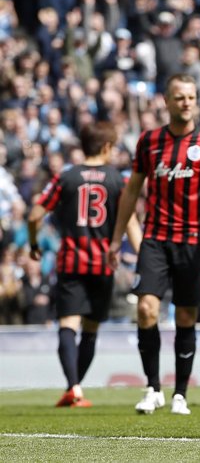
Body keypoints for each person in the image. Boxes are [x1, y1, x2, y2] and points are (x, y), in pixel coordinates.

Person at [108, 73, 200, 415]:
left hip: (195, 243)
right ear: (166, 102)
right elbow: (131, 192)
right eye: (179, 97)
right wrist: (117, 237)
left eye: (191, 97)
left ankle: (180, 393)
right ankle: (153, 388)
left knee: (185, 314)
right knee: (146, 309)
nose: (186, 103)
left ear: (197, 102)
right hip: (155, 240)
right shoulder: (149, 142)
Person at [27, 121, 142, 407]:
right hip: (103, 264)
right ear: (106, 147)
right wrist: (143, 260)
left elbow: (33, 216)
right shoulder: (119, 180)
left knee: (68, 325)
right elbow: (130, 224)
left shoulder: (67, 177)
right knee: (90, 329)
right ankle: (76, 388)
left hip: (70, 262)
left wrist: (33, 244)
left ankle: (73, 387)